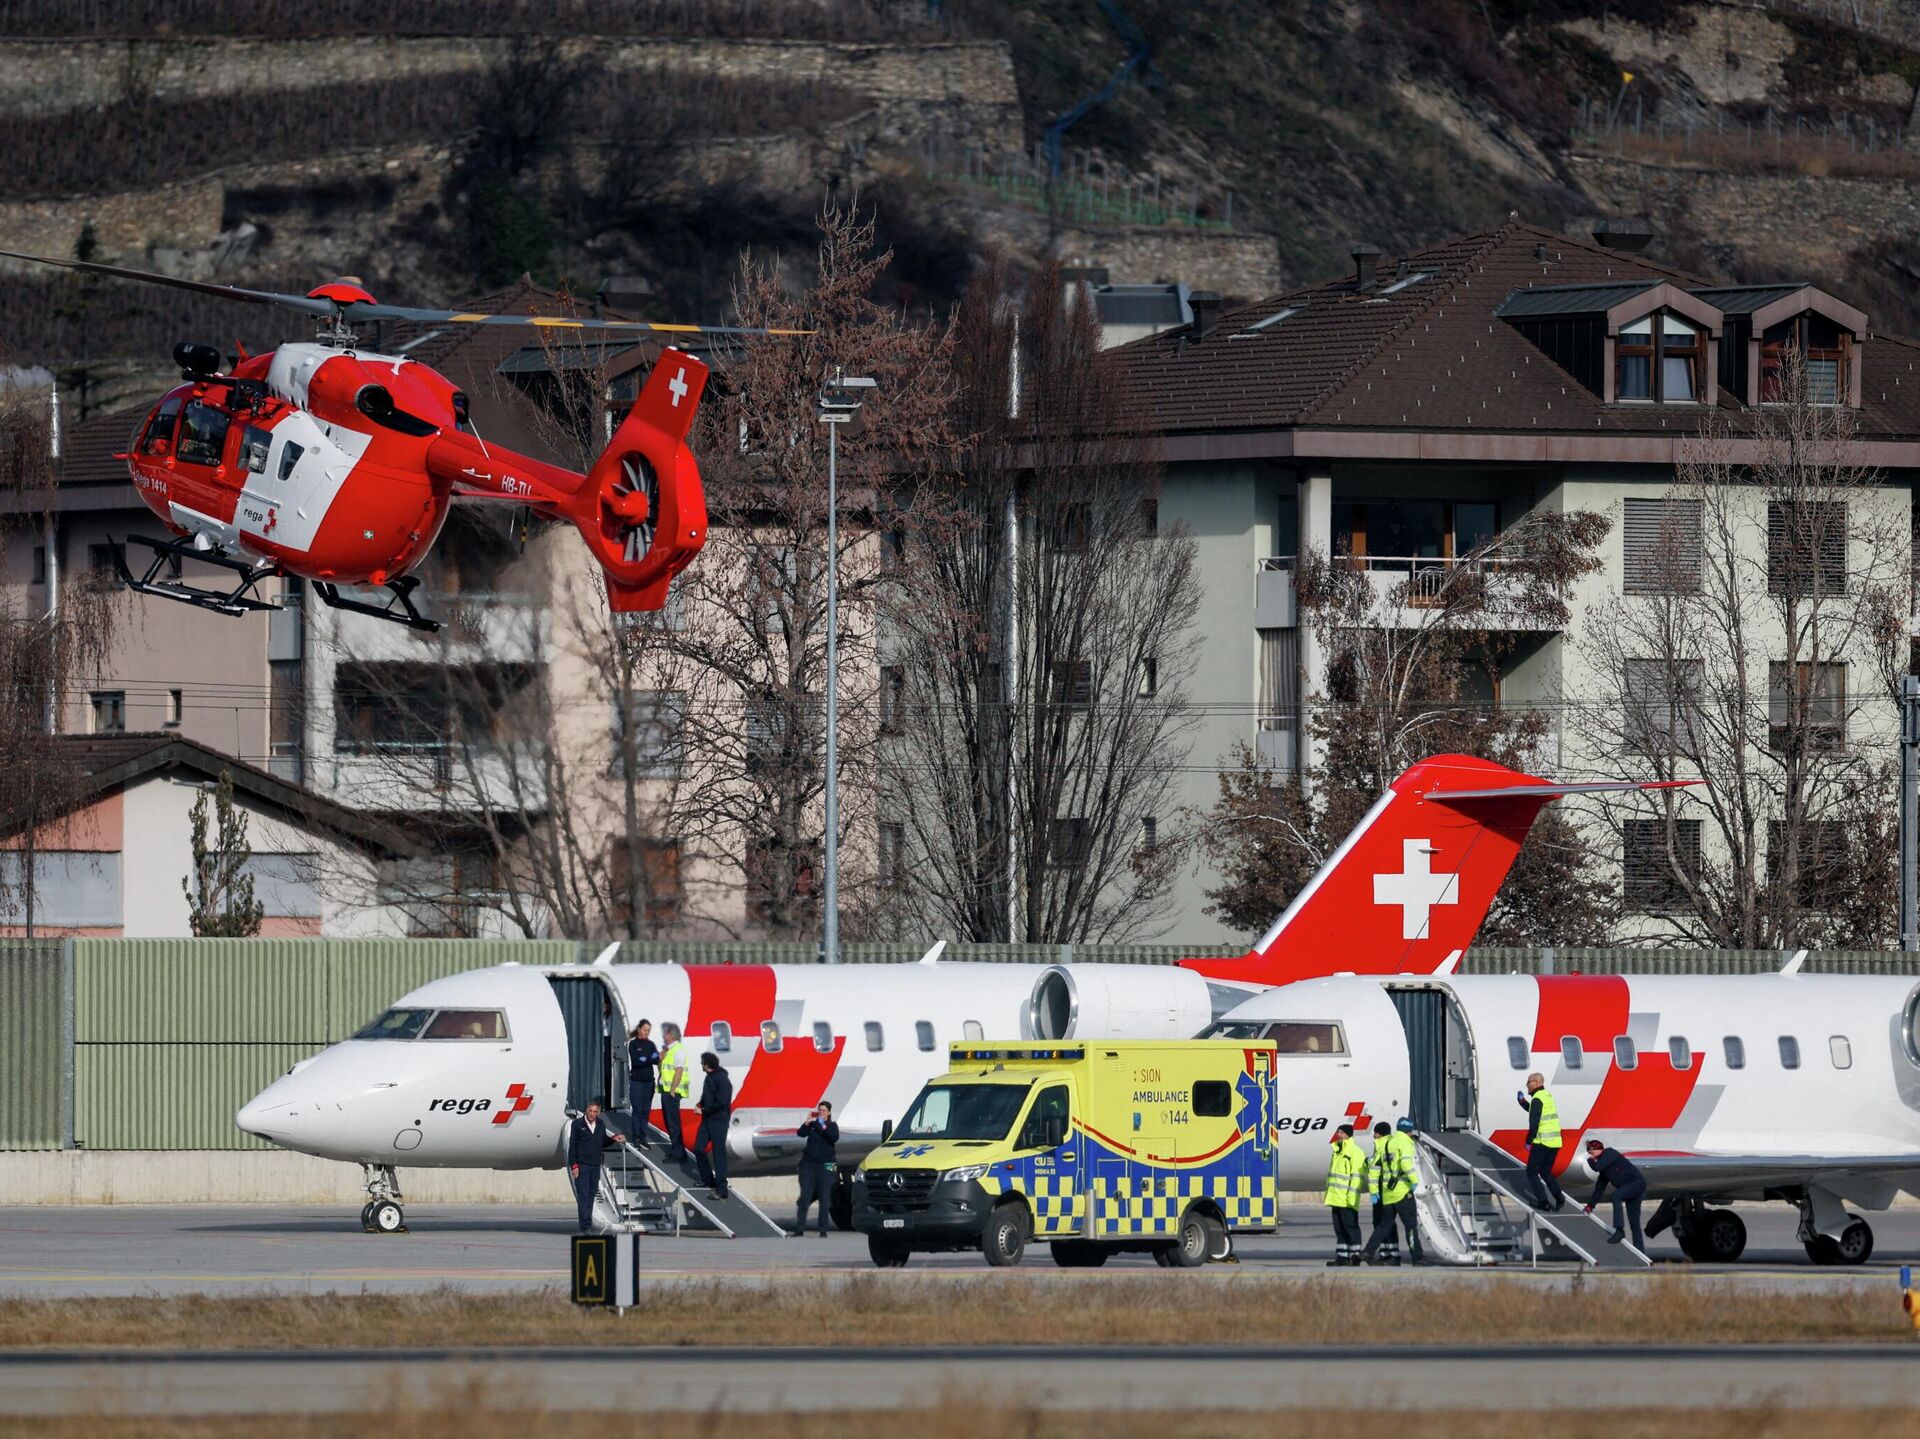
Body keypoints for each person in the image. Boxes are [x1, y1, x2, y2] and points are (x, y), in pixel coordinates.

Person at [1361, 1118, 1424, 1266]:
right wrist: (1414, 1180)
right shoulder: (1405, 1143)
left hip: (1388, 1194)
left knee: (1383, 1226)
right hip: (1402, 1192)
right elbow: (1406, 1163)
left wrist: (1374, 1192)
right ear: (1410, 1131)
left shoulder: (1387, 1143)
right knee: (1410, 1226)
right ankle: (1417, 1258)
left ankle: (1367, 1252)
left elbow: (1374, 1170)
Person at [567, 1100, 626, 1233]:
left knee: (591, 1195)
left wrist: (613, 1138)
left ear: (598, 1113)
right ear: (586, 1110)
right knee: (583, 1195)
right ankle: (585, 1226)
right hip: (582, 1165)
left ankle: (588, 1222)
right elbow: (572, 1146)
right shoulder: (577, 1124)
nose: (592, 1114)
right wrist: (574, 1165)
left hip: (595, 1165)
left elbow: (602, 1141)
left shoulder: (600, 1124)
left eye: (595, 1112)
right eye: (590, 1111)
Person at [1582, 1137, 1648, 1250]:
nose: (1592, 1156)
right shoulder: (1604, 1170)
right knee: (1634, 1224)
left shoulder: (1610, 1153)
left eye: (1592, 1153)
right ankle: (1640, 1252)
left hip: (1637, 1184)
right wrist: (1590, 1206)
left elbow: (1597, 1167)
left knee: (1616, 1196)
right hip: (1629, 1189)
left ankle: (1619, 1230)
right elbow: (1599, 1190)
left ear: (1599, 1149)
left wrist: (1590, 1160)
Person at [1516, 1071, 1566, 1212]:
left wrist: (1529, 1140)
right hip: (1555, 1142)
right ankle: (1559, 1197)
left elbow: (1534, 1122)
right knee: (1545, 1171)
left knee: (1532, 1172)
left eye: (1529, 1082)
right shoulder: (1547, 1096)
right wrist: (1522, 1102)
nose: (1527, 1084)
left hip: (1542, 1141)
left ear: (1537, 1083)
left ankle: (1543, 1203)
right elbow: (1536, 1111)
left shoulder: (1537, 1099)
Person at [794, 1101, 840, 1237]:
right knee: (804, 1197)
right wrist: (807, 1123)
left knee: (824, 1198)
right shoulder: (813, 1126)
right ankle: (799, 1229)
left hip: (827, 1164)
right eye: (820, 1110)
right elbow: (800, 1133)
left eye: (824, 1110)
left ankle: (823, 1230)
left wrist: (822, 1125)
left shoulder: (832, 1126)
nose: (821, 1112)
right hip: (809, 1164)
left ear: (829, 1112)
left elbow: (833, 1138)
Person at [1323, 1124, 1365, 1267]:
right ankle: (1342, 1257)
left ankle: (1355, 1256)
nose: (1338, 1135)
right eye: (1338, 1132)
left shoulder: (1355, 1152)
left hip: (1347, 1199)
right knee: (1339, 1229)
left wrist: (1351, 1198)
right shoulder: (1337, 1151)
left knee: (1351, 1228)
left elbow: (1356, 1177)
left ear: (1348, 1134)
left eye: (1340, 1132)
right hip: (1336, 1199)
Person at [693, 1050, 733, 1199]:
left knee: (718, 1153)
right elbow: (707, 1096)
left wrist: (703, 1110)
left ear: (707, 1065)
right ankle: (707, 1179)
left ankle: (721, 1189)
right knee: (698, 1148)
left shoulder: (722, 1079)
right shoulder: (709, 1077)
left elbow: (722, 1102)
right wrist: (700, 1104)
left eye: (702, 1063)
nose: (701, 1065)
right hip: (707, 1119)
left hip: (719, 1120)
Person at [657, 1023, 690, 1164]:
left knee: (673, 1124)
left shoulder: (678, 1050)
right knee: (669, 1123)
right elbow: (663, 1070)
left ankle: (678, 1154)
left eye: (665, 1034)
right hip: (666, 1091)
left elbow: (679, 1071)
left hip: (672, 1093)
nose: (663, 1037)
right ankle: (678, 1151)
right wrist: (660, 1059)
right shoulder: (669, 1051)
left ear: (671, 1035)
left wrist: (672, 1090)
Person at [627, 1020, 660, 1150]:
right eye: (645, 1030)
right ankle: (636, 1137)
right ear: (639, 1029)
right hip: (637, 1082)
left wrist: (645, 1058)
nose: (647, 1032)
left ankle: (643, 1136)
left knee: (645, 1111)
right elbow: (636, 1061)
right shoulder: (633, 1044)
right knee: (637, 1110)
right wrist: (649, 1058)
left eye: (648, 1031)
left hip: (649, 1082)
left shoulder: (650, 1044)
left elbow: (656, 1059)